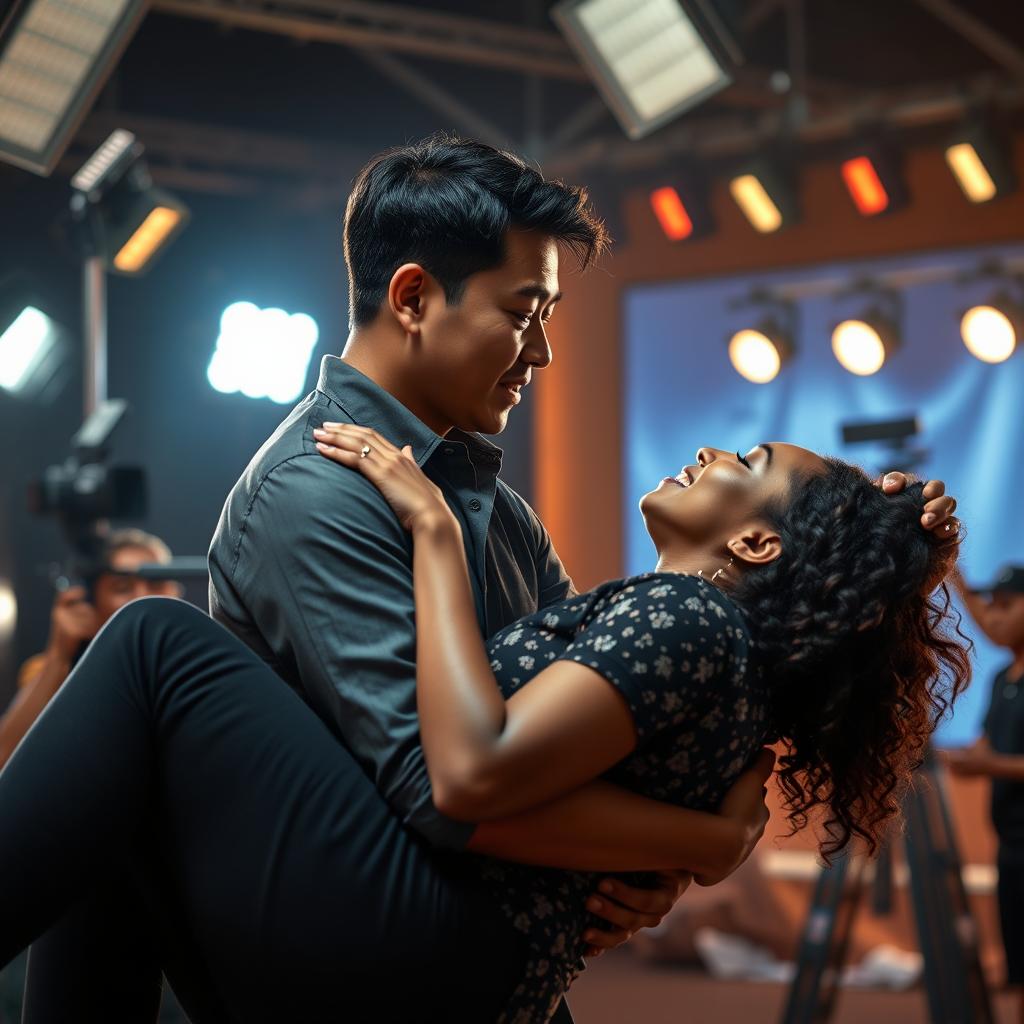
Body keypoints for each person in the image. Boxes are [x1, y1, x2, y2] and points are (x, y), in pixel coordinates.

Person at [0, 434, 964, 1022]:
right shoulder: (705, 649)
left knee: (153, 638)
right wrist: (706, 843)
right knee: (125, 802)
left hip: (430, 943)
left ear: (756, 542)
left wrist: (430, 534)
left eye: (746, 463)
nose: (713, 451)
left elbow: (464, 776)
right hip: (460, 961)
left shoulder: (689, 623)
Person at [0, 527, 179, 770]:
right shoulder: (53, 671)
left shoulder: (194, 670)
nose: (143, 597)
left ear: (176, 592)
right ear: (90, 601)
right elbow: (4, 757)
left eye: (156, 583)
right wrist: (58, 655)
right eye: (122, 587)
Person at [944, 564, 1024, 1024]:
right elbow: (988, 742)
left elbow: (993, 758)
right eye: (990, 607)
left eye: (1006, 607)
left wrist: (986, 766)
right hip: (1010, 843)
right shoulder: (1002, 678)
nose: (993, 618)